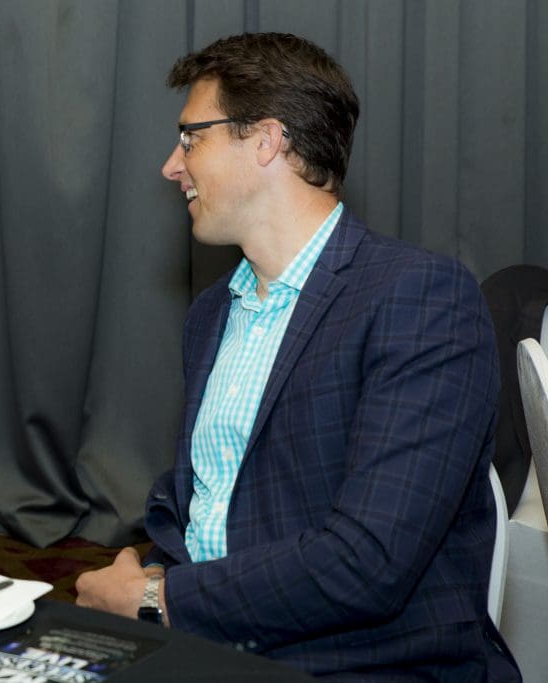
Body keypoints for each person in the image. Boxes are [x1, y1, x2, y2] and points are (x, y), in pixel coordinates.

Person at [75, 33, 520, 680]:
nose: (171, 166)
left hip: (361, 664)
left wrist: (159, 601)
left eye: (191, 138)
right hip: (211, 646)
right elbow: (195, 508)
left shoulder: (420, 298)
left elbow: (368, 562)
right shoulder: (212, 313)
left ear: (266, 140)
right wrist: (147, 576)